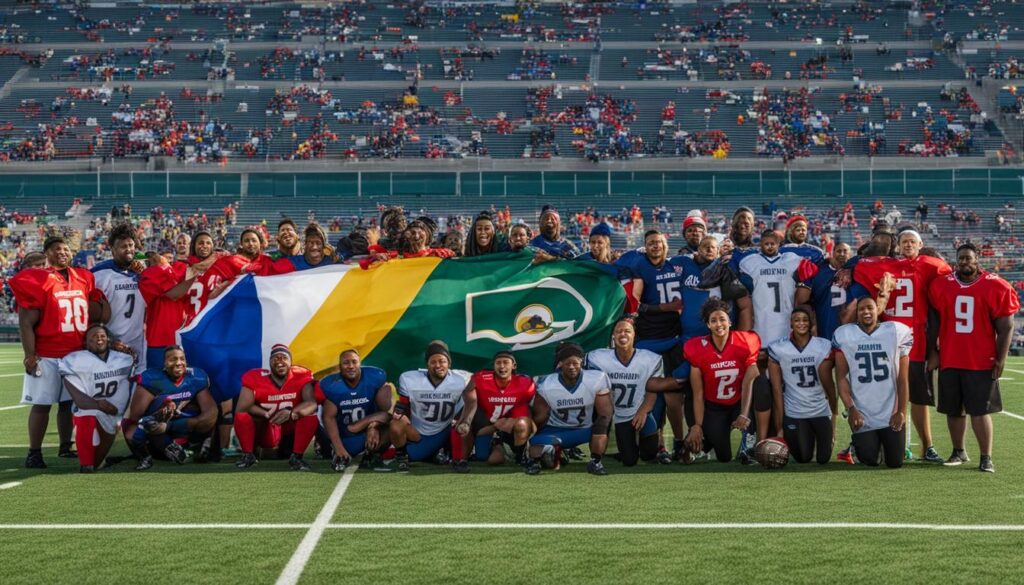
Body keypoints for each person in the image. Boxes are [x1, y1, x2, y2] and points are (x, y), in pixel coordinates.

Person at [848, 228, 950, 463]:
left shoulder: (930, 264)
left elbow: (949, 278)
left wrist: (936, 346)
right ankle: (881, 443)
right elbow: (858, 263)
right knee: (881, 392)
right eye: (904, 241)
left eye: (912, 241)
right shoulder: (884, 264)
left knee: (919, 397)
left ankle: (928, 446)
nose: (907, 245)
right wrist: (845, 269)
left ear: (920, 244)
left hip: (916, 339)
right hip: (886, 340)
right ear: (898, 245)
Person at [928, 243, 1019, 472]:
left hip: (980, 360)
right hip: (950, 357)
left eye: (969, 258)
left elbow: (1006, 326)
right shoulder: (942, 285)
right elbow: (934, 323)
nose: (965, 262)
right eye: (961, 259)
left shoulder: (995, 285)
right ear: (956, 261)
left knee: (980, 410)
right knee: (953, 409)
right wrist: (933, 352)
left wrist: (1001, 358)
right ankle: (958, 451)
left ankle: (986, 456)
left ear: (977, 260)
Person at [9, 235, 97, 468]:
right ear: (46, 255)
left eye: (65, 249)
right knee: (42, 404)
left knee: (68, 404)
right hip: (47, 353)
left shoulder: (83, 277)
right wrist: (30, 354)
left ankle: (65, 445)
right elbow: (26, 322)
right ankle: (34, 452)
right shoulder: (41, 279)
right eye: (56, 249)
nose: (62, 252)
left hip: (75, 353)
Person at [617, 229, 685, 462]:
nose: (655, 246)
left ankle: (679, 442)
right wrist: (664, 308)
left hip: (675, 335)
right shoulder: (641, 268)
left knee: (674, 396)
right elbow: (636, 304)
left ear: (666, 246)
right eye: (651, 243)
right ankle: (658, 445)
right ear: (645, 247)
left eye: (659, 242)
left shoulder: (677, 266)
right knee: (651, 392)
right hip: (649, 337)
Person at [833, 296, 911, 468]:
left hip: (890, 409)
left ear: (878, 310)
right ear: (857, 313)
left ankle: (884, 442)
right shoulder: (845, 335)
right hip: (863, 410)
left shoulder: (895, 332)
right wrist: (851, 409)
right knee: (869, 460)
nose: (866, 312)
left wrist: (901, 412)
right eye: (861, 309)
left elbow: (902, 378)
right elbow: (841, 377)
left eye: (870, 308)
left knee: (895, 463)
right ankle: (856, 446)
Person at [682, 299, 761, 463]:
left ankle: (750, 447)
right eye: (713, 320)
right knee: (724, 457)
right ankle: (707, 443)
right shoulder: (696, 348)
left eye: (722, 319)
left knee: (761, 385)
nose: (719, 324)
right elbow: (698, 392)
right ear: (708, 325)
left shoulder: (745, 341)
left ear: (730, 321)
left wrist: (744, 413)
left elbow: (751, 377)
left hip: (739, 400)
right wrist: (697, 425)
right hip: (715, 406)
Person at [58, 324, 136, 473]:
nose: (99, 339)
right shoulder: (75, 360)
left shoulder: (124, 359)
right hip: (93, 411)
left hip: (118, 415)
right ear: (86, 343)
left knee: (100, 460)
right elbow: (80, 399)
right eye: (94, 337)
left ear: (108, 340)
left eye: (102, 336)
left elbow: (131, 386)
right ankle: (86, 464)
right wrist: (98, 404)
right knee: (85, 413)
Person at [125, 346, 218, 471]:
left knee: (210, 417)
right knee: (131, 432)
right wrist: (160, 410)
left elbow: (210, 413)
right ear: (164, 363)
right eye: (173, 359)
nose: (178, 363)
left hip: (181, 425)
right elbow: (136, 416)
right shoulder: (153, 379)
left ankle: (198, 447)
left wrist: (181, 423)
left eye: (182, 359)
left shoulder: (196, 377)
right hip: (156, 426)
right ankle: (157, 451)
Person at [586, 318, 663, 467]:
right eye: (618, 331)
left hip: (640, 409)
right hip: (620, 415)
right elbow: (576, 363)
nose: (623, 334)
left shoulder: (649, 359)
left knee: (649, 454)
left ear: (634, 334)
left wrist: (643, 411)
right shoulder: (600, 358)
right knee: (629, 461)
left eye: (627, 331)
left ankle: (653, 447)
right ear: (613, 336)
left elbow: (652, 389)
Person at [529, 343, 613, 475]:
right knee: (538, 452)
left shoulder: (596, 379)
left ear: (581, 362)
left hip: (584, 430)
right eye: (568, 363)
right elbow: (539, 416)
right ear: (560, 364)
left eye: (575, 363)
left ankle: (596, 462)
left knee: (603, 422)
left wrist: (599, 428)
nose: (572, 367)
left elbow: (606, 413)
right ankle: (554, 453)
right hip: (555, 431)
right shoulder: (546, 384)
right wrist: (531, 431)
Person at [234, 344, 320, 471]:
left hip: (290, 427)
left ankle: (297, 457)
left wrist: (292, 413)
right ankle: (248, 454)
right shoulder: (255, 378)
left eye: (284, 357)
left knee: (310, 416)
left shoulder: (301, 375)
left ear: (291, 362)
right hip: (268, 426)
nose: (279, 361)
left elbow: (311, 403)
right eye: (275, 358)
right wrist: (265, 414)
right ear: (269, 362)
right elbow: (242, 408)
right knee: (241, 416)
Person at [767, 307, 835, 464]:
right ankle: (805, 436)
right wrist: (780, 425)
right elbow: (777, 389)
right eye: (797, 320)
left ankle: (820, 435)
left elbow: (831, 384)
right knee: (803, 458)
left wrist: (834, 418)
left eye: (805, 320)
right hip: (795, 412)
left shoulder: (823, 345)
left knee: (823, 459)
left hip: (820, 411)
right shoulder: (779, 348)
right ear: (790, 323)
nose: (801, 323)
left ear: (811, 323)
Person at [451, 350, 536, 473]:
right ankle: (463, 459)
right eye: (498, 363)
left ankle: (521, 456)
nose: (502, 366)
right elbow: (469, 399)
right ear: (493, 365)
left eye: (506, 362)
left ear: (514, 366)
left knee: (523, 424)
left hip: (509, 427)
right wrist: (466, 421)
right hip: (486, 425)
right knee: (483, 455)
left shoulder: (525, 383)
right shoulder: (481, 379)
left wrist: (521, 425)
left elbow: (530, 414)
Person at [391, 341, 471, 471]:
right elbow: (403, 406)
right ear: (427, 364)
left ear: (449, 363)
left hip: (443, 430)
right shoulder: (410, 379)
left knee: (462, 424)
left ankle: (457, 458)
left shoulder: (460, 380)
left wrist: (459, 419)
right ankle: (402, 456)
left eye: (442, 361)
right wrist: (400, 413)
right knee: (395, 424)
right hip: (417, 432)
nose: (438, 365)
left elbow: (466, 405)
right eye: (433, 362)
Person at [319, 349, 391, 471]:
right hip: (345, 438)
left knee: (393, 424)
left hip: (367, 434)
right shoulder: (333, 385)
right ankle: (336, 453)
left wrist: (373, 425)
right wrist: (338, 448)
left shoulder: (373, 377)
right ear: (340, 366)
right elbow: (328, 417)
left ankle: (372, 456)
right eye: (346, 363)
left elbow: (386, 414)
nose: (351, 366)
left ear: (360, 364)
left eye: (354, 362)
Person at [90, 224, 147, 368]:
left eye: (131, 245)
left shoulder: (143, 272)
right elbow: (91, 314)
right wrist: (109, 340)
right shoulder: (98, 274)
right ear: (113, 250)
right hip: (111, 344)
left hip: (140, 344)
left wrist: (145, 273)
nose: (128, 250)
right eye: (123, 246)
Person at [796, 242, 851, 342]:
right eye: (839, 251)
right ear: (832, 253)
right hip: (824, 323)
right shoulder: (819, 270)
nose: (842, 254)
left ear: (850, 254)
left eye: (845, 251)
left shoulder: (854, 271)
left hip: (847, 327)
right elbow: (802, 301)